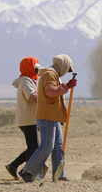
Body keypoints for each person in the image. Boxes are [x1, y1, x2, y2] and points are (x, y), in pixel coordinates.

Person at [19, 54, 77, 182]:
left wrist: (66, 86)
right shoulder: (50, 74)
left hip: (53, 115)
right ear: (63, 66)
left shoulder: (53, 73)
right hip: (47, 115)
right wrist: (67, 86)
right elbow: (51, 92)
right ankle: (27, 171)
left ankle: (59, 174)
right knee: (47, 145)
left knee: (58, 145)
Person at [5, 57, 42, 179]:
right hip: (28, 119)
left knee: (33, 146)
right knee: (34, 147)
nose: (37, 71)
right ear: (29, 68)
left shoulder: (28, 81)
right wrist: (46, 94)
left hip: (27, 118)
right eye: (35, 68)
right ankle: (27, 171)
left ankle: (14, 166)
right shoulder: (26, 81)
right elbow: (32, 97)